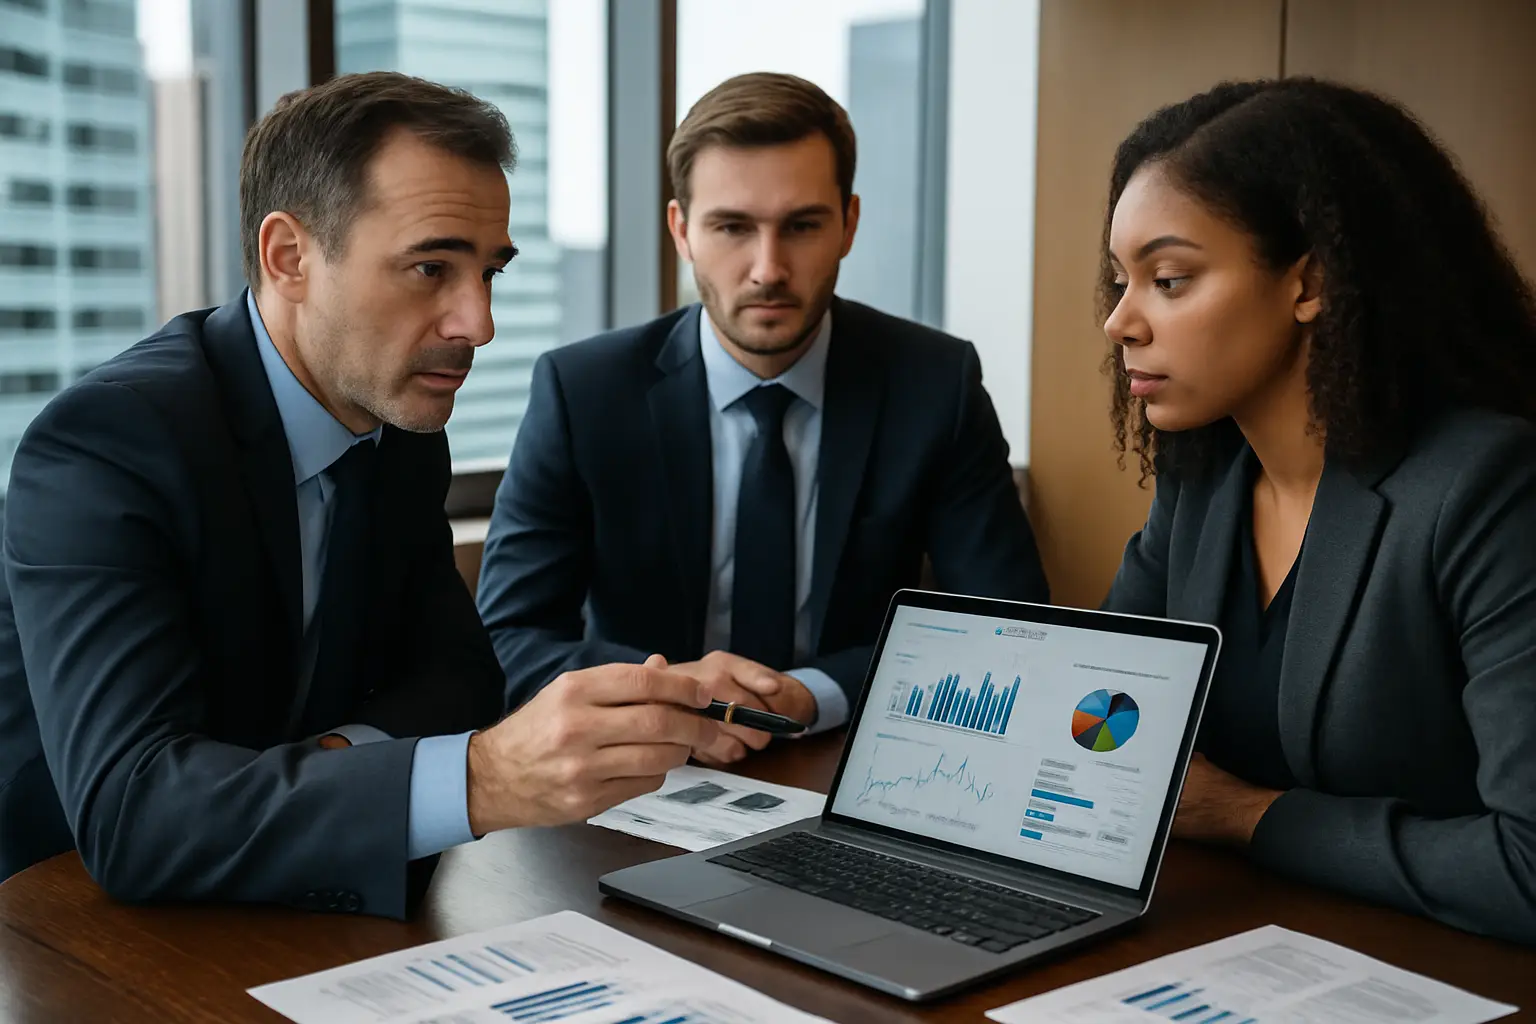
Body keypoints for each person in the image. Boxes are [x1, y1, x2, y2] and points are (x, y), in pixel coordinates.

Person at [0, 72, 719, 914]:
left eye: (490, 271)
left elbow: (458, 677)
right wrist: (480, 778)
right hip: (69, 919)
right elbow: (136, 813)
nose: (477, 323)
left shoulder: (397, 430)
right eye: (429, 267)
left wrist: (332, 760)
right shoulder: (110, 442)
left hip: (293, 897)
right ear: (289, 257)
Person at [477, 72, 1049, 765]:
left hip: (859, 761)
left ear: (849, 224)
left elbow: (1009, 630)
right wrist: (671, 690)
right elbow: (508, 639)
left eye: (802, 225)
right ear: (682, 231)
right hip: (642, 773)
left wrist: (815, 694)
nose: (767, 268)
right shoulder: (583, 391)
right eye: (732, 227)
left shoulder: (935, 385)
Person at [1100, 78, 1536, 944]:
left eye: (1170, 279)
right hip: (1225, 946)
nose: (1120, 322)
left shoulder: (1487, 487)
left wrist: (1247, 815)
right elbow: (1100, 714)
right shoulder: (1200, 485)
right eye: (1120, 280)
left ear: (1312, 281)